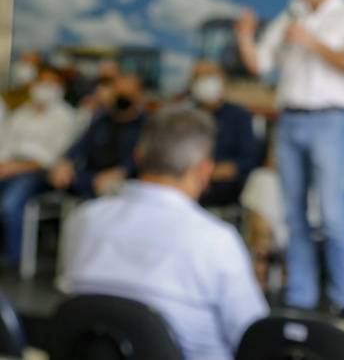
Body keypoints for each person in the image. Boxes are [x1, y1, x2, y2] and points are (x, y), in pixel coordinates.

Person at [59, 107, 269, 360]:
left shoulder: (84, 219)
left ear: (138, 157)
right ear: (204, 170)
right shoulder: (216, 240)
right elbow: (256, 338)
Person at [235, 0, 344, 314]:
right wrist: (245, 37)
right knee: (292, 215)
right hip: (290, 120)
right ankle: (301, 296)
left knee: (332, 215)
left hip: (331, 121)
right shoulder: (290, 16)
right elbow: (260, 65)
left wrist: (312, 42)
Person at [0, 67, 77, 264]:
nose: (45, 88)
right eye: (42, 82)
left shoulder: (66, 116)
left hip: (41, 173)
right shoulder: (21, 114)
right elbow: (6, 144)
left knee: (10, 204)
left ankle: (14, 257)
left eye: (52, 83)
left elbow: (56, 157)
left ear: (61, 88)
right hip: (10, 166)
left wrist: (19, 167)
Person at [49, 74, 147, 197]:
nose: (123, 98)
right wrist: (66, 162)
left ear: (139, 95)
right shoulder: (101, 120)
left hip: (124, 184)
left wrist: (121, 172)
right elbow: (81, 145)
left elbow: (138, 159)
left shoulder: (147, 125)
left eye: (128, 94)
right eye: (119, 93)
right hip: (91, 178)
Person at [187, 60, 259, 208]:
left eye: (209, 75)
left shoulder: (239, 116)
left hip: (226, 189)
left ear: (223, 79)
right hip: (188, 185)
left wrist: (211, 174)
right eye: (199, 77)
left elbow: (248, 160)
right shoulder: (186, 117)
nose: (205, 81)